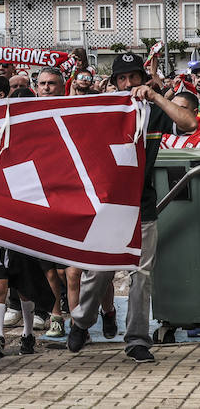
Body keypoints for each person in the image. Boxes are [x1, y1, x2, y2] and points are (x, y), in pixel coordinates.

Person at [68, 53, 196, 363]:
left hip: (143, 206)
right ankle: (81, 322)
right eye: (122, 79)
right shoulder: (105, 111)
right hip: (108, 208)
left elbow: (189, 122)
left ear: (143, 78)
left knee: (142, 275)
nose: (129, 84)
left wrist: (155, 96)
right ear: (114, 83)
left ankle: (137, 340)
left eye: (134, 77)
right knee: (98, 272)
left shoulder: (153, 110)